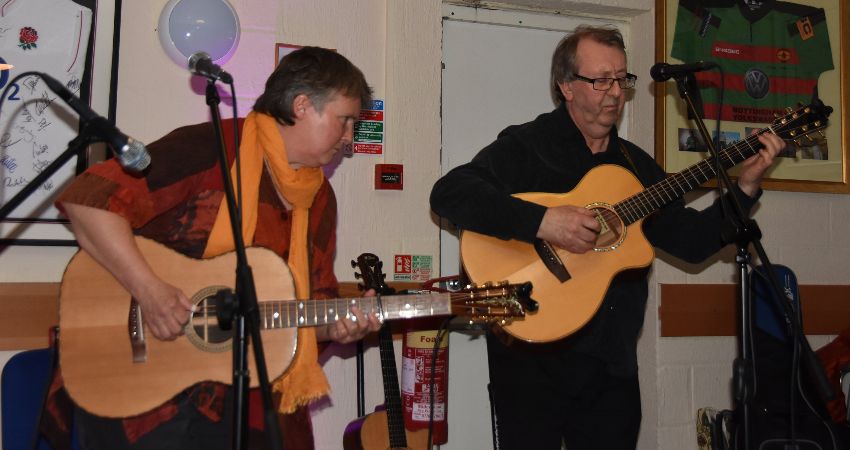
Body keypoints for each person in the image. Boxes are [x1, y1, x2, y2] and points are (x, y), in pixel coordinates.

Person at [429, 25, 786, 450]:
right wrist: (542, 221)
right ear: (566, 86)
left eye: (622, 79)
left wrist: (744, 188)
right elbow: (450, 193)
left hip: (611, 370)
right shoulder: (529, 145)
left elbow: (692, 242)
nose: (615, 91)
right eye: (601, 80)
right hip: (532, 363)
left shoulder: (636, 167)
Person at [53, 46, 382, 450]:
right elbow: (89, 201)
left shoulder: (319, 199)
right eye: (345, 120)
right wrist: (150, 291)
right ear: (301, 106)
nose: (349, 139)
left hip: (247, 399)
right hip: (144, 391)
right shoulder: (211, 148)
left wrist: (340, 326)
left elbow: (311, 304)